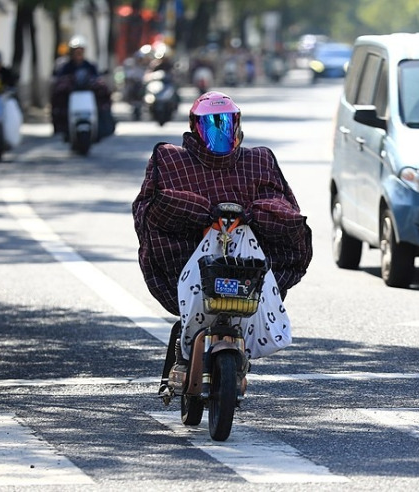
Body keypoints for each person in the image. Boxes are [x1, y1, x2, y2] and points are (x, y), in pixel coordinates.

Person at [131, 91, 313, 397]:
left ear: (238, 124)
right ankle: (184, 358)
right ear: (194, 127)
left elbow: (285, 206)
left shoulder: (259, 161)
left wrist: (255, 215)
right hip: (190, 257)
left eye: (226, 123)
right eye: (212, 124)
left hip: (248, 264)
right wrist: (199, 214)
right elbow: (150, 208)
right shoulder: (172, 160)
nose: (220, 131)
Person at [49, 35, 113, 139]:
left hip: (88, 95)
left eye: (80, 50)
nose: (78, 53)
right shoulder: (66, 66)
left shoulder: (89, 65)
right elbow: (59, 79)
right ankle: (60, 126)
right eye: (76, 50)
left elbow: (97, 78)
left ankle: (104, 124)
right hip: (71, 97)